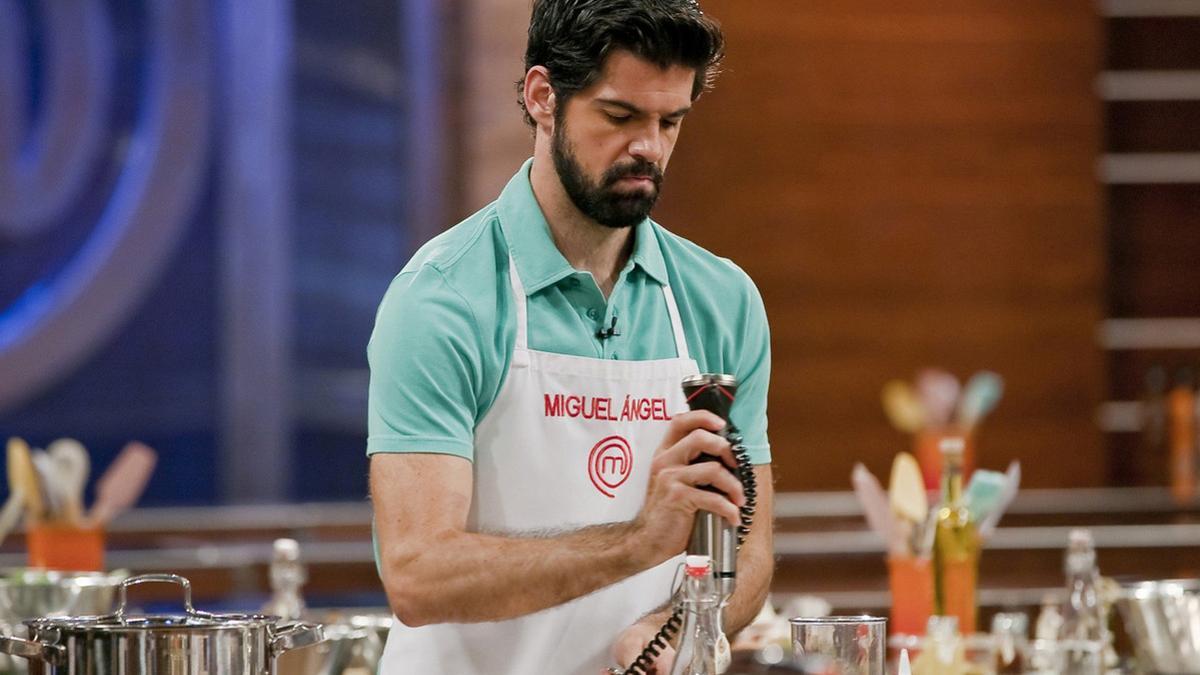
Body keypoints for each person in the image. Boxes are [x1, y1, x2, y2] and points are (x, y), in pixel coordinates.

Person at [367, 1, 774, 673]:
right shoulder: (443, 299)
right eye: (619, 117)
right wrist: (639, 542)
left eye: (670, 121)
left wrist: (677, 628)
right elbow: (418, 575)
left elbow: (745, 546)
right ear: (542, 96)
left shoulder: (721, 301)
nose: (649, 146)